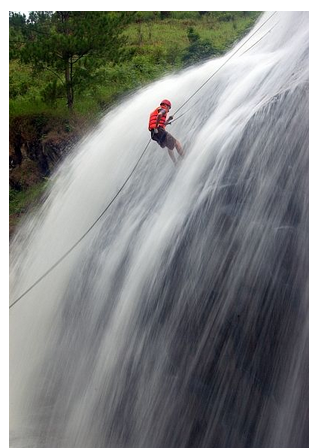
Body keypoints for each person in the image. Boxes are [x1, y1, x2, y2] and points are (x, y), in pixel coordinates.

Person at [148, 99, 184, 165]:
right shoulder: (164, 109)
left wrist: (168, 119)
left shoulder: (155, 111)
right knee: (177, 143)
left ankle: (175, 163)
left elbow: (161, 123)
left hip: (154, 134)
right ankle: (185, 157)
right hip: (158, 130)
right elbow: (159, 115)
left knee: (169, 146)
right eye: (169, 108)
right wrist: (156, 127)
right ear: (166, 105)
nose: (168, 110)